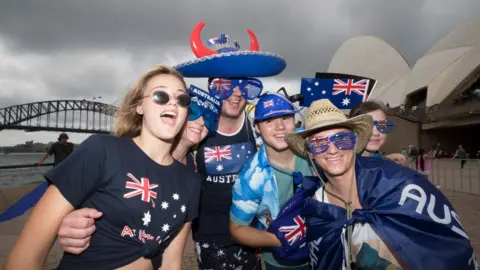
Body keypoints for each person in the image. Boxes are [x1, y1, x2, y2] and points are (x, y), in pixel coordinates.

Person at [5, 65, 203, 270]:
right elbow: (28, 254)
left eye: (182, 99)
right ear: (139, 107)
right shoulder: (101, 151)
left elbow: (171, 263)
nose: (173, 103)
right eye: (160, 95)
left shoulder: (191, 181)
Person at [284, 99, 476, 269]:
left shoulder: (396, 182)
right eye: (319, 143)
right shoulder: (317, 207)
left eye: (342, 139)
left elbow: (445, 245)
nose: (332, 149)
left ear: (354, 142)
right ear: (310, 153)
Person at [229, 93, 311, 270]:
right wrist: (282, 238)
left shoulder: (314, 152)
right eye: (269, 121)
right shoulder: (251, 178)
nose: (280, 126)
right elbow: (237, 229)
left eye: (285, 117)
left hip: (326, 251)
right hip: (282, 263)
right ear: (257, 127)